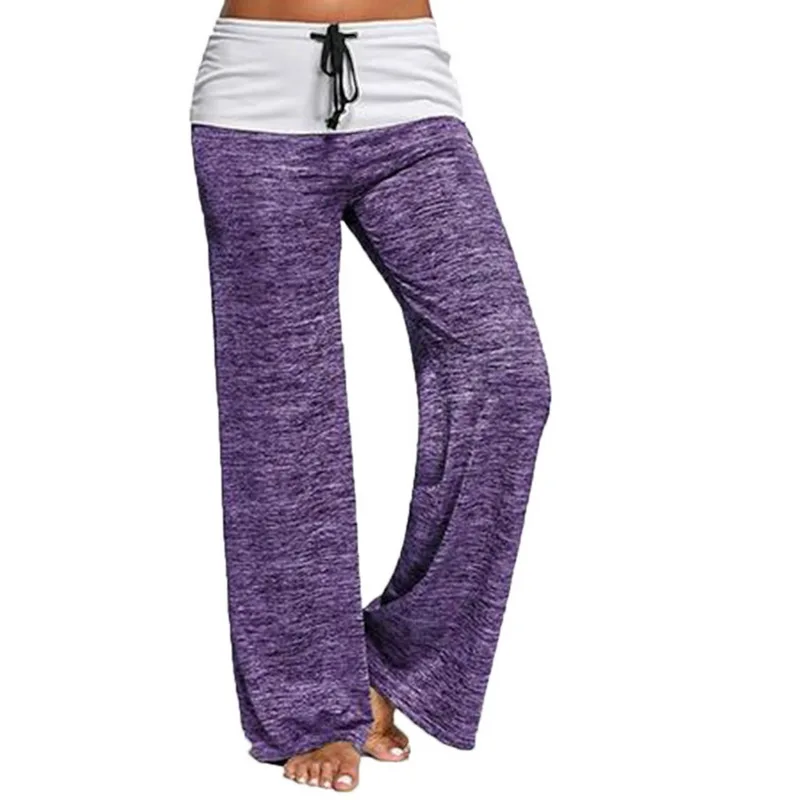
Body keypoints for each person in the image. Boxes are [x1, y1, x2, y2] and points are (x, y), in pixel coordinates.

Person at [190, 0, 552, 792]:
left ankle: (394, 662)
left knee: (505, 372)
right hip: (252, 100)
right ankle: (310, 706)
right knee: (282, 417)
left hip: (406, 88)